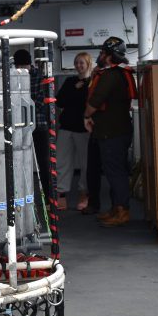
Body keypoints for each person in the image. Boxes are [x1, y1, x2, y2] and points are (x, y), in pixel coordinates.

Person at [84, 36, 137, 227]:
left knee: (116, 173)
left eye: (101, 53)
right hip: (116, 131)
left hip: (112, 133)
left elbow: (95, 102)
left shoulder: (110, 76)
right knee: (116, 171)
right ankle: (116, 208)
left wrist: (86, 116)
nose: (99, 56)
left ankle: (122, 211)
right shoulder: (120, 73)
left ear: (107, 56)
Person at [55, 52, 92, 210]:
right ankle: (61, 194)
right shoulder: (70, 81)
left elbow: (91, 103)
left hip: (84, 129)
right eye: (77, 62)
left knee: (85, 164)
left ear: (88, 64)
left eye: (81, 63)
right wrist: (74, 89)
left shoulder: (93, 82)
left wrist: (79, 90)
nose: (78, 65)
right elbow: (59, 101)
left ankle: (84, 193)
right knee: (62, 162)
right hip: (66, 128)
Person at [14, 49, 50, 203]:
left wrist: (24, 105)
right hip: (19, 127)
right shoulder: (14, 75)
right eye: (19, 66)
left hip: (39, 126)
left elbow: (41, 101)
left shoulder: (39, 77)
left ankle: (49, 198)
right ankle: (20, 195)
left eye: (24, 66)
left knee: (43, 163)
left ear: (30, 64)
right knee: (19, 161)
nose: (22, 70)